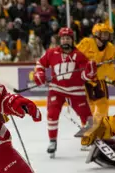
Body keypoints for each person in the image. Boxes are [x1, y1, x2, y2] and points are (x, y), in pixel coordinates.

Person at [34, 27, 96, 157]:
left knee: (88, 118)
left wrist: (90, 72)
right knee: (52, 114)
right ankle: (52, 141)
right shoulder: (51, 53)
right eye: (63, 38)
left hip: (76, 91)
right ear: (60, 40)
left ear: (72, 40)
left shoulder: (79, 56)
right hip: (56, 90)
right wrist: (39, 73)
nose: (65, 40)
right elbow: (40, 63)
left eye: (68, 38)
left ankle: (88, 140)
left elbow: (84, 76)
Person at [77, 23, 115, 118]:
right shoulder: (86, 43)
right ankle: (88, 125)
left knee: (103, 103)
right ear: (96, 33)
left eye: (107, 34)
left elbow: (109, 68)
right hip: (84, 80)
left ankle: (102, 123)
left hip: (99, 79)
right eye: (104, 33)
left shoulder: (111, 48)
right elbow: (74, 57)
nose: (106, 36)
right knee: (89, 104)